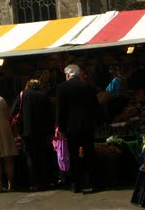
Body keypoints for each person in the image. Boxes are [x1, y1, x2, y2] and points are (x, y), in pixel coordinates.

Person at [56, 64, 99, 193]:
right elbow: (95, 107)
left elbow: (61, 110)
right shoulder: (89, 86)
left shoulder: (61, 88)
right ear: (79, 74)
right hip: (87, 126)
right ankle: (92, 182)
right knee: (89, 153)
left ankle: (76, 184)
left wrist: (61, 128)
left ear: (68, 75)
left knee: (73, 155)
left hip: (71, 127)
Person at [18, 79, 55, 191]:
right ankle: (44, 182)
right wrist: (50, 132)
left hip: (26, 132)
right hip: (42, 132)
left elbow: (14, 110)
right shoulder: (43, 95)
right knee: (42, 156)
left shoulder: (22, 95)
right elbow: (50, 115)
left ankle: (33, 183)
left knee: (30, 157)